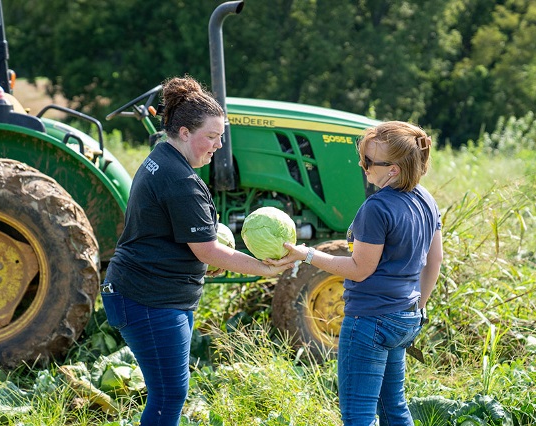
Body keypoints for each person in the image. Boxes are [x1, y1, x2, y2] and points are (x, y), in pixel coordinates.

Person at [101, 75, 293, 426]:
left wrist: (204, 259)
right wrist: (266, 269)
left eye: (222, 137)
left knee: (169, 391)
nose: (219, 145)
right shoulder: (179, 180)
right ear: (185, 132)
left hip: (151, 293)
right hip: (148, 299)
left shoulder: (162, 157)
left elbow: (174, 238)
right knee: (169, 394)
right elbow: (207, 250)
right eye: (212, 136)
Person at [268, 120, 443, 426]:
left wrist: (306, 254)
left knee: (358, 416)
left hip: (370, 322)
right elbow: (434, 260)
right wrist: (417, 308)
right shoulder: (426, 199)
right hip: (405, 317)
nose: (363, 166)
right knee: (394, 409)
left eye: (368, 162)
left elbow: (360, 269)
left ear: (394, 170)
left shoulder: (377, 208)